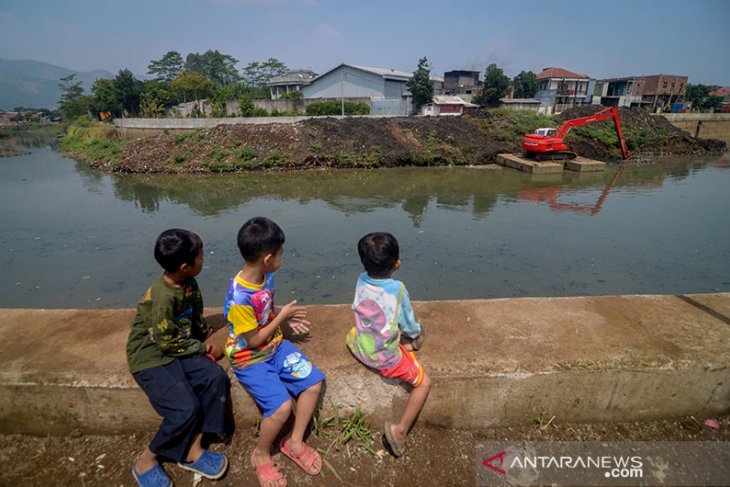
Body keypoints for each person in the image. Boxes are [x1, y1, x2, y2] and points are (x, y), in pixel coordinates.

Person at [224, 217, 325, 487]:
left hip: (275, 346)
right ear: (267, 258)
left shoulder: (265, 277)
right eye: (280, 254)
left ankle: (293, 441)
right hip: (250, 358)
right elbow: (254, 340)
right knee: (281, 408)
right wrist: (282, 319)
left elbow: (265, 312)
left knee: (313, 383)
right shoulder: (239, 297)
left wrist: (282, 317)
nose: (282, 258)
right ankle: (260, 454)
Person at [126, 229, 230, 487]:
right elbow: (165, 342)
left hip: (179, 345)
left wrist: (202, 336)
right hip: (152, 354)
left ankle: (193, 450)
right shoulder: (163, 297)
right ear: (185, 266)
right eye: (200, 256)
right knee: (185, 409)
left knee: (216, 378)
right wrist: (205, 350)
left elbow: (195, 316)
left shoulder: (187, 282)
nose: (203, 260)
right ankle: (146, 460)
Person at [346, 232, 432, 458]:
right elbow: (409, 324)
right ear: (397, 263)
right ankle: (399, 430)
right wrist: (415, 335)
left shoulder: (361, 278)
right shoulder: (398, 289)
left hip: (358, 344)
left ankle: (404, 348)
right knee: (424, 382)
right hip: (380, 357)